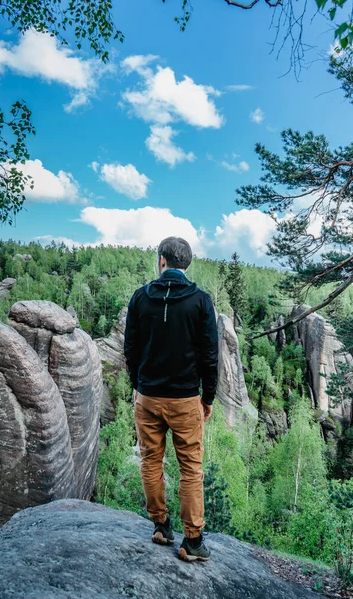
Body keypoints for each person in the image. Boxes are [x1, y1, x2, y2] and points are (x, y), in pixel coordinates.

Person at [124, 236, 218, 562]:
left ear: (162, 260)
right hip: (185, 399)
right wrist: (209, 397)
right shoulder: (201, 302)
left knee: (151, 461)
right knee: (191, 469)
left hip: (148, 397)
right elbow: (210, 355)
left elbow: (130, 349)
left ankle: (161, 527)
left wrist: (138, 385)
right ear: (185, 263)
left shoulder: (140, 298)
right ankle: (193, 542)